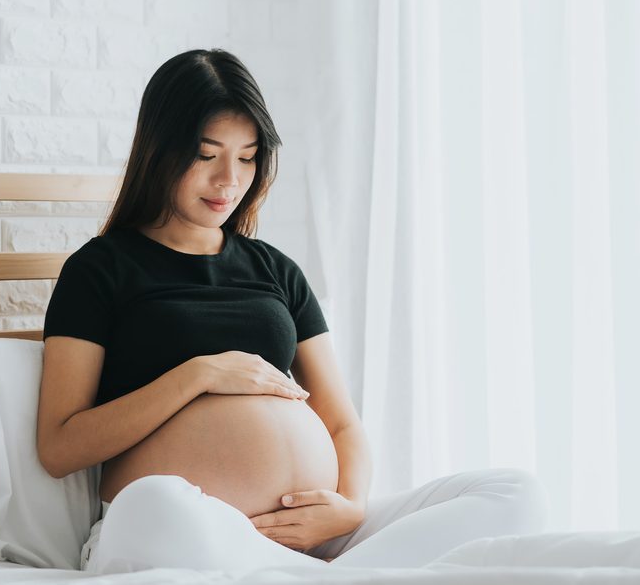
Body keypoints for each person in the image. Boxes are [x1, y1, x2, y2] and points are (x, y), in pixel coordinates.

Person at [35, 48, 548, 576]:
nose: (229, 180)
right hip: (187, 533)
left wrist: (348, 506)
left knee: (513, 493)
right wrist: (197, 375)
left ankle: (304, 571)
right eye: (207, 155)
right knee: (156, 506)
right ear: (159, 150)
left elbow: (343, 423)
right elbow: (59, 445)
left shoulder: (275, 270)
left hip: (317, 534)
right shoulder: (100, 270)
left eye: (248, 156)